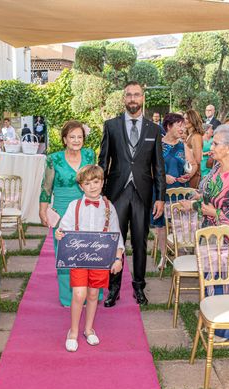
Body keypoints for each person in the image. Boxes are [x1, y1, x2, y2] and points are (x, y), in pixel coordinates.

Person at [179, 124, 229, 341]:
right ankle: (215, 322)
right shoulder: (216, 168)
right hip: (211, 235)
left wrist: (210, 211)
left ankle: (227, 331)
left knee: (228, 283)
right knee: (213, 280)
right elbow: (207, 195)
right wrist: (195, 200)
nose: (211, 146)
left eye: (216, 143)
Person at [98, 81, 166, 306]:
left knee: (140, 241)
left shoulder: (154, 129)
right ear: (123, 99)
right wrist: (100, 194)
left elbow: (159, 166)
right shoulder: (111, 126)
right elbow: (103, 161)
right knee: (113, 241)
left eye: (137, 95)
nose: (133, 99)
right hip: (116, 193)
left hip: (142, 194)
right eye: (129, 95)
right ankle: (113, 288)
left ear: (143, 98)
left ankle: (139, 287)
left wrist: (160, 197)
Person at [55, 165, 124, 352]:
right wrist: (60, 234)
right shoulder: (74, 206)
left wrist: (118, 259)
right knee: (79, 294)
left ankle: (88, 329)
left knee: (93, 294)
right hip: (78, 258)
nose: (92, 186)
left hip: (100, 260)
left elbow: (116, 235)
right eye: (87, 183)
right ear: (81, 186)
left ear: (102, 183)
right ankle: (73, 331)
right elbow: (64, 229)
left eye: (96, 182)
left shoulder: (109, 207)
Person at [40, 121, 98, 307]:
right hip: (63, 210)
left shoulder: (89, 154)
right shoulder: (53, 159)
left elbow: (95, 181)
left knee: (89, 251)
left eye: (79, 137)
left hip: (87, 208)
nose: (76, 140)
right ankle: (68, 297)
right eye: (72, 137)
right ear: (64, 139)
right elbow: (46, 187)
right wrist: (43, 210)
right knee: (66, 254)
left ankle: (92, 294)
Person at [153, 113, 190, 268]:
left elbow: (191, 165)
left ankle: (180, 254)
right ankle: (163, 255)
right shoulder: (157, 145)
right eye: (179, 125)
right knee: (161, 225)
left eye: (183, 125)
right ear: (168, 126)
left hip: (179, 191)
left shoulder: (184, 145)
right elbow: (148, 168)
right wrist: (162, 176)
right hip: (162, 190)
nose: (182, 128)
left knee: (180, 223)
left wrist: (188, 175)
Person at [183, 109, 203, 188]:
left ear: (193, 119)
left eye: (187, 118)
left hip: (193, 173)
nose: (184, 121)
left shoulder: (196, 136)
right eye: (184, 118)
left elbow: (198, 159)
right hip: (189, 171)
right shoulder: (189, 135)